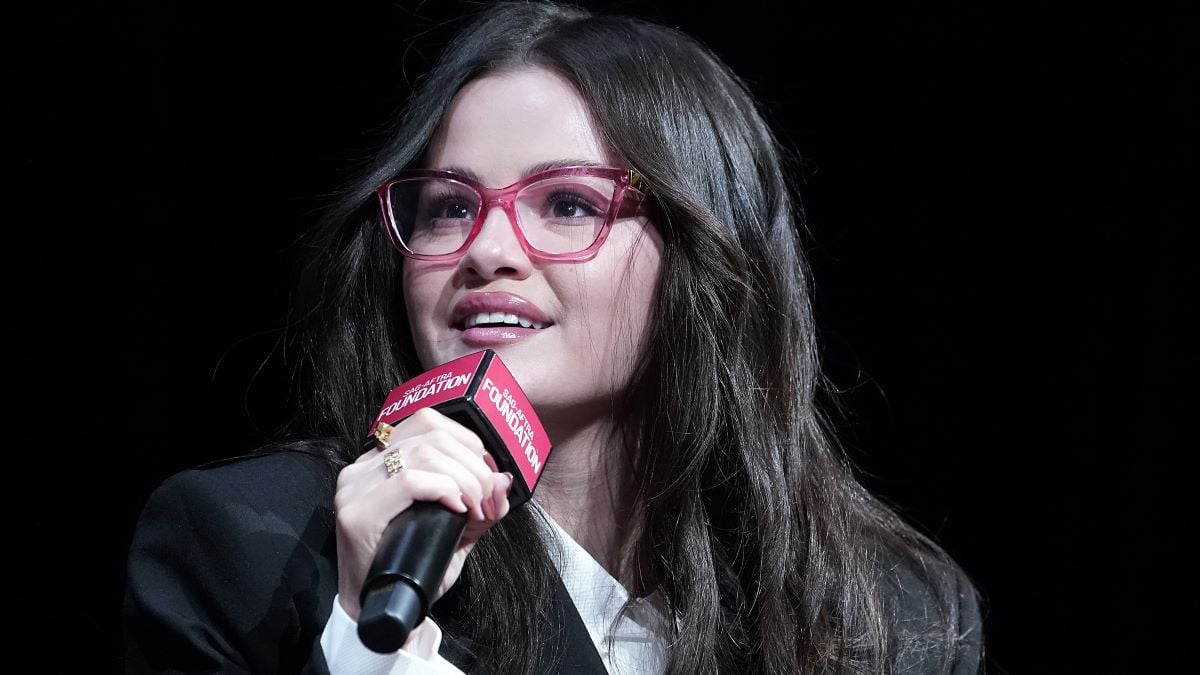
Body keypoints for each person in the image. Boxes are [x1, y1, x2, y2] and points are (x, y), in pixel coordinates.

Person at [122, 2, 986, 673]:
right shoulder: (248, 546)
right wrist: (367, 639)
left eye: (568, 203)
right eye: (450, 207)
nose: (488, 250)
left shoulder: (891, 612)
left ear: (704, 252)